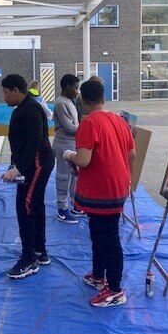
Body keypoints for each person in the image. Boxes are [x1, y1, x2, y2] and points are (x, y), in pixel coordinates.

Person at [63, 79, 135, 307]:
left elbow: (83, 159)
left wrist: (68, 155)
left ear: (82, 101)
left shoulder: (89, 123)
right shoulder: (120, 120)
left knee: (108, 238)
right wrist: (127, 179)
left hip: (102, 191)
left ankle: (114, 290)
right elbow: (132, 155)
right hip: (116, 187)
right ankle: (98, 275)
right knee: (98, 232)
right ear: (103, 98)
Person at [0, 74, 55, 279]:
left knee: (25, 207)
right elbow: (20, 141)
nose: (4, 96)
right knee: (36, 205)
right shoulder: (24, 107)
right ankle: (39, 250)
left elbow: (33, 142)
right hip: (31, 164)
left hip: (37, 164)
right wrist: (15, 164)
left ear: (16, 91)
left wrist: (18, 169)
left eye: (6, 92)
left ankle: (28, 259)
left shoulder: (31, 109)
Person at [52, 74, 82, 224]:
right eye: (75, 88)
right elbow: (70, 128)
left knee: (74, 175)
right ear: (67, 87)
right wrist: (86, 126)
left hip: (72, 144)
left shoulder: (69, 102)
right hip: (63, 144)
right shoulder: (60, 103)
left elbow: (73, 125)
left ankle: (75, 204)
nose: (77, 91)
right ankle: (62, 209)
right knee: (63, 176)